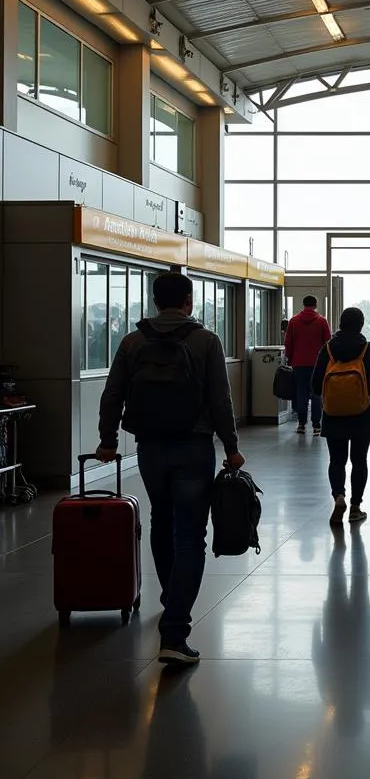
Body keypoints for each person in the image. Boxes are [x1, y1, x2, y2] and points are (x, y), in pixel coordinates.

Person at [97, 272, 244, 666]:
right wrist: (231, 448)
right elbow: (220, 400)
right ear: (189, 301)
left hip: (150, 449)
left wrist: (108, 440)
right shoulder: (206, 341)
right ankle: (175, 633)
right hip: (194, 448)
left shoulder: (133, 341)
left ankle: (170, 596)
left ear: (156, 301)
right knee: (190, 536)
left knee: (161, 521)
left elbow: (112, 394)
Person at [312, 307, 370, 526]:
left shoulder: (327, 350)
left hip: (333, 414)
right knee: (359, 461)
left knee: (336, 460)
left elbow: (316, 386)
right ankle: (355, 507)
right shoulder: (369, 349)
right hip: (362, 415)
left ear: (340, 324)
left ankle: (339, 497)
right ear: (361, 325)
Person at [284, 295, 331, 436]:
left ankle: (301, 424)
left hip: (298, 363)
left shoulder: (293, 321)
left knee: (301, 393)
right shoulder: (322, 321)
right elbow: (328, 343)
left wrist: (290, 359)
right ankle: (317, 425)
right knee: (317, 393)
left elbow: (288, 343)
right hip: (317, 364)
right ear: (315, 305)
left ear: (303, 304)